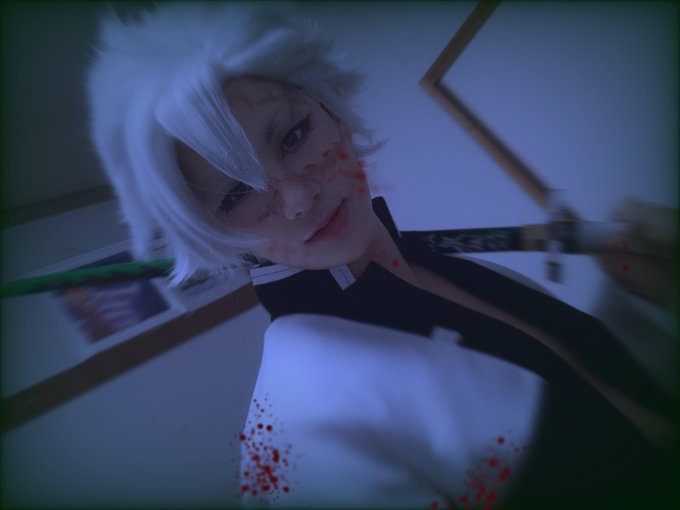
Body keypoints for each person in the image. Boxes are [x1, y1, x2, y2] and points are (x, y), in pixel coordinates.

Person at [86, 3, 678, 508]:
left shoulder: (436, 261)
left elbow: (600, 402)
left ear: (334, 115)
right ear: (213, 236)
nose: (296, 197)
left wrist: (645, 298)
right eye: (237, 195)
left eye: (293, 136)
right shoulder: (293, 419)